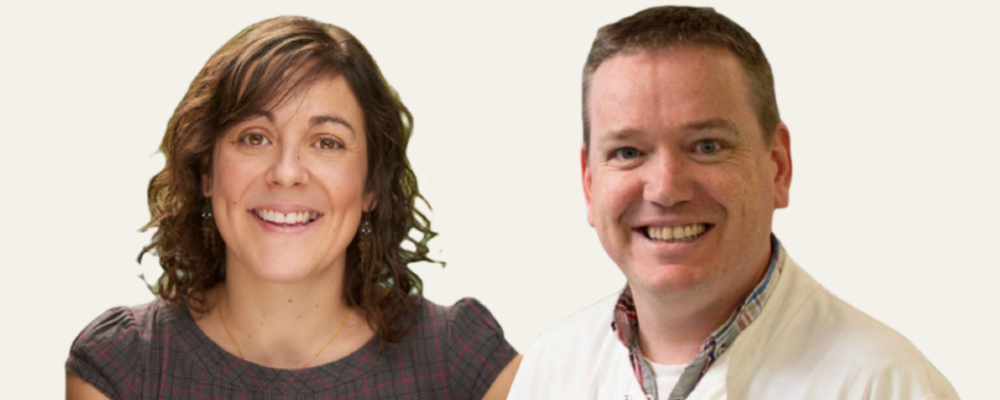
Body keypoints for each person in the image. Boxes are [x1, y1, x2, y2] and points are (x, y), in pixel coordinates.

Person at [508, 6, 957, 400]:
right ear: (589, 184)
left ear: (778, 167)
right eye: (628, 152)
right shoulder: (549, 370)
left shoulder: (888, 385)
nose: (666, 189)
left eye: (707, 145)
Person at [65, 16, 520, 400]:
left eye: (327, 143)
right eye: (254, 137)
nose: (286, 172)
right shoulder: (122, 368)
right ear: (206, 170)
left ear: (371, 187)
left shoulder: (464, 364)